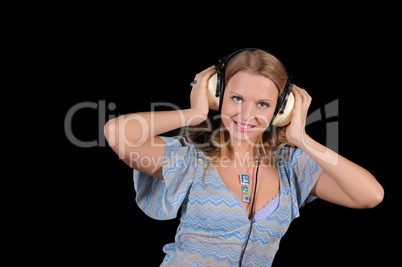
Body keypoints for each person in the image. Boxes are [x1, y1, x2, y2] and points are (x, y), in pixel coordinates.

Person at [104, 49, 384, 266]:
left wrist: (301, 138)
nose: (246, 115)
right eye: (236, 98)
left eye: (263, 104)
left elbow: (370, 195)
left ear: (282, 109)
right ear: (217, 96)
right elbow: (116, 133)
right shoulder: (190, 159)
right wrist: (195, 114)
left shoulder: (292, 167)